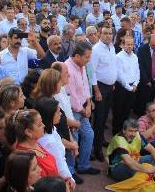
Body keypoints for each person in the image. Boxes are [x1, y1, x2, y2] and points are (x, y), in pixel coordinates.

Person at [64, 41, 97, 172]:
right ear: (77, 56)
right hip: (73, 111)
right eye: (87, 57)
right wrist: (84, 109)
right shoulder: (67, 68)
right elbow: (71, 95)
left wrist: (88, 103)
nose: (89, 60)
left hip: (83, 109)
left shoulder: (81, 66)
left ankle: (83, 165)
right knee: (74, 141)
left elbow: (85, 87)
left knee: (89, 135)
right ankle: (70, 170)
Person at [5, 109, 60, 177]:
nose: (44, 125)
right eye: (39, 125)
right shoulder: (25, 157)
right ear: (28, 132)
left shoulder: (35, 143)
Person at [90, 24, 117, 161]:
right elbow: (92, 72)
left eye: (110, 33)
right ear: (99, 34)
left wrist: (112, 83)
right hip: (99, 88)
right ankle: (97, 149)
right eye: (105, 33)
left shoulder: (111, 47)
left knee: (105, 116)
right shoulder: (96, 50)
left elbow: (111, 66)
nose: (108, 35)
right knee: (99, 120)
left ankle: (100, 140)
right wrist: (97, 90)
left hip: (109, 87)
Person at [36, 98, 75, 188]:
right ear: (50, 115)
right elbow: (59, 163)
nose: (61, 113)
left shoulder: (51, 128)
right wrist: (70, 179)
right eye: (58, 112)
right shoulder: (48, 141)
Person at [113, 36, 140, 135]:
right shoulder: (118, 57)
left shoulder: (135, 56)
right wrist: (129, 87)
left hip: (133, 87)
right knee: (118, 113)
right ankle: (116, 135)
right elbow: (119, 75)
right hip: (122, 89)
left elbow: (138, 71)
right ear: (123, 45)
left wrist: (136, 84)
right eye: (127, 44)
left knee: (126, 112)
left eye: (131, 44)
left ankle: (124, 133)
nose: (130, 46)